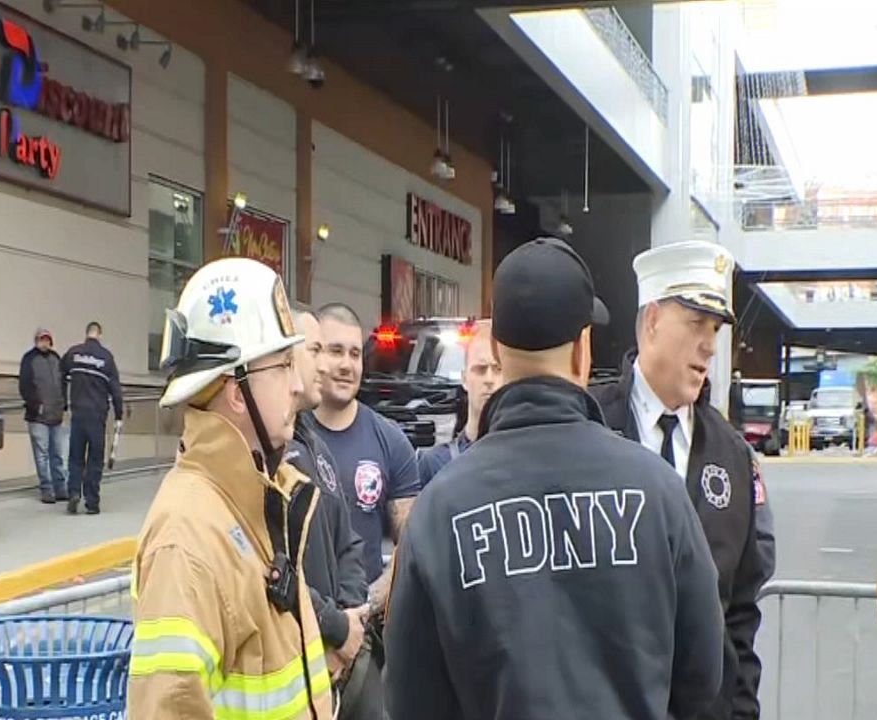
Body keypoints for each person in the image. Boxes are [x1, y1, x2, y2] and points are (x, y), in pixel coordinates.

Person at [384, 237, 724, 720]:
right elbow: (702, 675)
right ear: (583, 350)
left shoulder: (440, 509)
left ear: (497, 351)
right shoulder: (658, 490)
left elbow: (410, 699)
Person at [129, 258, 332, 719]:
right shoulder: (188, 539)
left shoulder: (252, 501)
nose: (298, 385)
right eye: (284, 365)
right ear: (237, 390)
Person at [589, 240, 776, 720]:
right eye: (695, 324)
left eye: (714, 329)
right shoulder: (588, 427)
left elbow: (740, 608)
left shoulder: (732, 456)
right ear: (652, 322)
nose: (710, 346)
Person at [305, 303, 421, 586]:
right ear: (315, 355)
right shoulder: (287, 435)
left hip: (363, 619)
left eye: (355, 354)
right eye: (335, 351)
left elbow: (410, 551)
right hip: (295, 620)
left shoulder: (392, 443)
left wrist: (369, 606)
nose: (346, 364)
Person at [284, 310, 371, 688]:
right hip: (300, 657)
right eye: (315, 349)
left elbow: (346, 541)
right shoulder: (272, 452)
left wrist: (349, 620)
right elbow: (275, 570)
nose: (324, 365)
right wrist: (336, 629)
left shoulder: (315, 447)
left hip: (340, 657)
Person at [416, 319, 502, 486]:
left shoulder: (524, 459)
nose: (489, 379)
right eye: (480, 369)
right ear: (464, 379)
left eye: (498, 369)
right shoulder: (435, 465)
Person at [62, 321, 124, 515]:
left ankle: (73, 493)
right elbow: (115, 389)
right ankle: (92, 501)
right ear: (100, 335)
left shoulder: (73, 353)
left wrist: (64, 401)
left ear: (87, 333)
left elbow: (60, 373)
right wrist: (119, 413)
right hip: (97, 416)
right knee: (95, 460)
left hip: (78, 413)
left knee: (75, 458)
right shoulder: (106, 358)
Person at [18, 327, 68, 504]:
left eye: (47, 339)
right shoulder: (29, 359)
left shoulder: (56, 358)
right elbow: (24, 386)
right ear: (36, 341)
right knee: (42, 455)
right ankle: (47, 489)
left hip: (56, 414)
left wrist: (64, 404)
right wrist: (36, 406)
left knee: (57, 454)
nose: (44, 342)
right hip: (37, 417)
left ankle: (60, 488)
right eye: (41, 339)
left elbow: (63, 383)